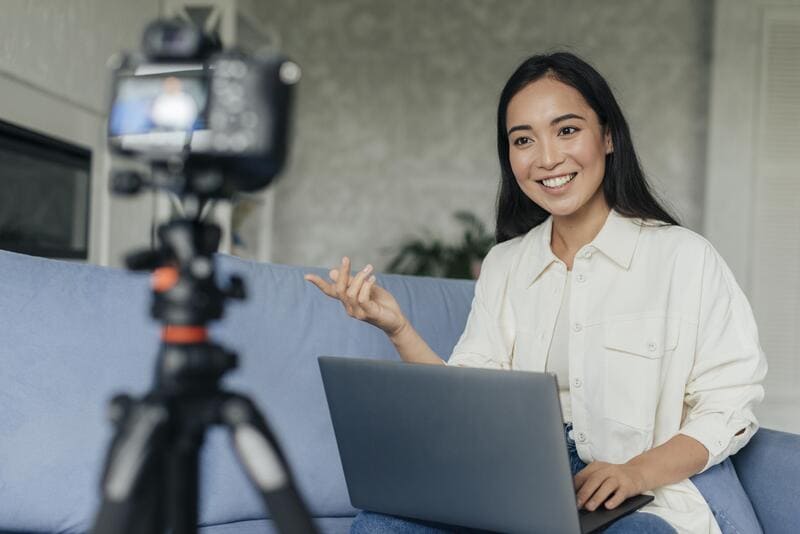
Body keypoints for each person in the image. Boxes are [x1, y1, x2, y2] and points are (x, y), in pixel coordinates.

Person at [304, 52, 767, 534]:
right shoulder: (506, 264)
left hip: (637, 498)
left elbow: (731, 402)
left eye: (567, 130)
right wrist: (397, 329)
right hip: (513, 486)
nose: (547, 159)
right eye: (523, 139)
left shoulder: (683, 257)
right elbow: (469, 405)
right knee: (379, 527)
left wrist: (635, 472)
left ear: (607, 136)